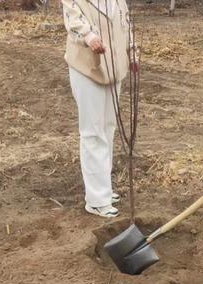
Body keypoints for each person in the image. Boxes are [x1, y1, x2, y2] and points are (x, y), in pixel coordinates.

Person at [62, 0, 137, 218]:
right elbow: (74, 21)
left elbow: (125, 24)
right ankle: (96, 200)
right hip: (87, 69)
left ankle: (104, 187)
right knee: (93, 132)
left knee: (108, 127)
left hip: (114, 68)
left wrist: (132, 52)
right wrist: (89, 37)